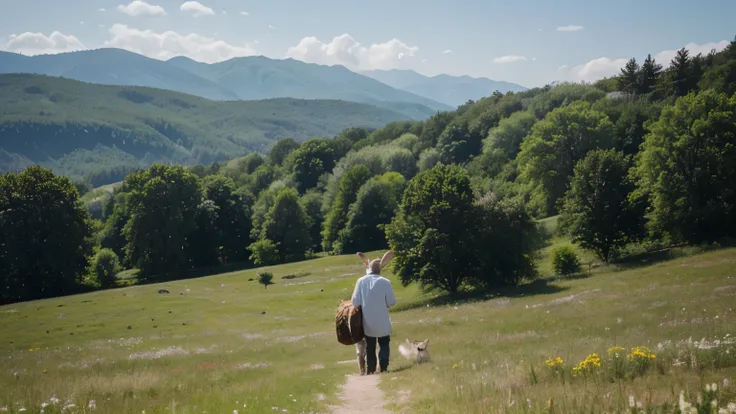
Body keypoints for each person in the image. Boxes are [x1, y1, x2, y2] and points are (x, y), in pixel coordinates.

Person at [351, 251, 397, 374]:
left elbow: (355, 302)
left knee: (370, 346)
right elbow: (392, 301)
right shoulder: (385, 281)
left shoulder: (361, 281)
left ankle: (371, 370)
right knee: (384, 343)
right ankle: (383, 368)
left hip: (367, 322)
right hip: (383, 321)